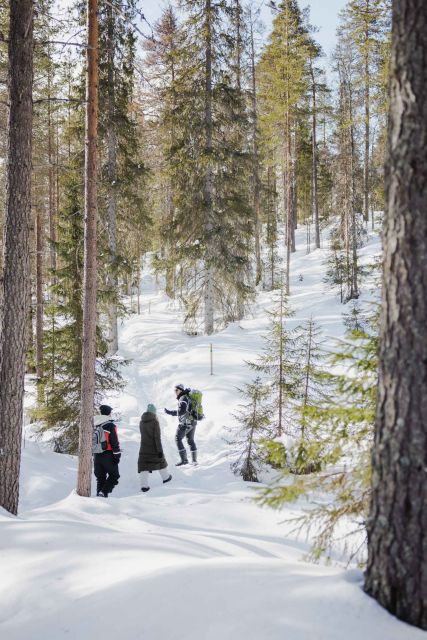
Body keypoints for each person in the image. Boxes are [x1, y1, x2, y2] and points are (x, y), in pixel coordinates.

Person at [138, 404, 172, 492]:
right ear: (154, 412)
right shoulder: (154, 422)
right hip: (154, 448)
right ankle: (166, 477)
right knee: (161, 461)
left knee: (143, 465)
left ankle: (144, 486)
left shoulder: (141, 422)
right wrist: (160, 451)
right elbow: (157, 438)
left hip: (144, 447)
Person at [164, 383, 197, 466]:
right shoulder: (187, 397)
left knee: (177, 439)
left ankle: (184, 460)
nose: (175, 392)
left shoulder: (183, 398)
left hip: (185, 423)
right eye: (174, 390)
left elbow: (181, 411)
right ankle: (194, 461)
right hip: (193, 422)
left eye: (176, 390)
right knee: (190, 440)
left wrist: (169, 412)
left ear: (181, 390)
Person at [93, 404, 121, 497]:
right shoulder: (110, 425)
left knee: (100, 478)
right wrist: (117, 455)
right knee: (114, 476)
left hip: (97, 455)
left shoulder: (95, 424)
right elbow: (114, 441)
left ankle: (99, 496)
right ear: (109, 413)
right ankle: (104, 492)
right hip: (108, 454)